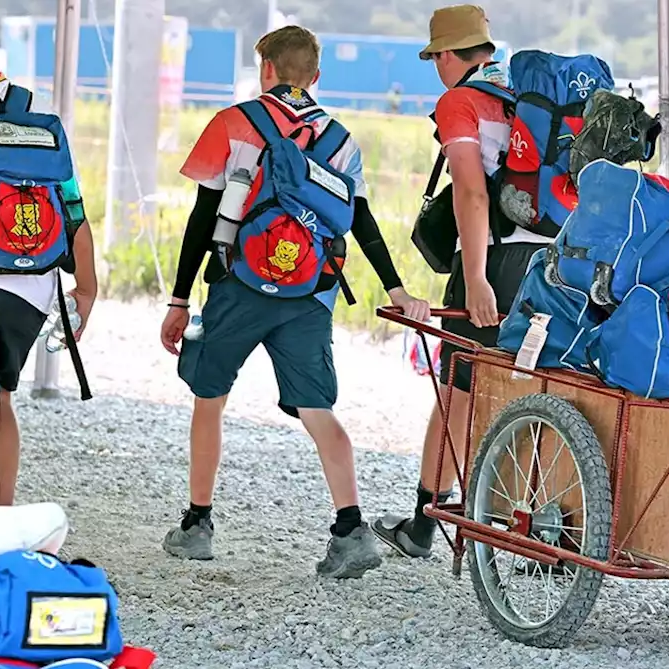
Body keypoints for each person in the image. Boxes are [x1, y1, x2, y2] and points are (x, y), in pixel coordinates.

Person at [158, 26, 430, 578]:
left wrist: (180, 298)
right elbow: (360, 221)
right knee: (318, 411)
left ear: (265, 69)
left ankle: (197, 525)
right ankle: (351, 530)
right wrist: (396, 287)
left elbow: (202, 218)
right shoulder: (342, 141)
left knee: (210, 398)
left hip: (238, 289)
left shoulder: (234, 123)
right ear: (316, 77)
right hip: (309, 294)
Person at [371, 5, 550, 559]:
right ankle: (540, 525)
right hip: (551, 264)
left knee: (459, 391)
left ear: (448, 55)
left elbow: (471, 193)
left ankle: (427, 522)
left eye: (435, 59)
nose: (436, 70)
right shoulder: (530, 98)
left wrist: (474, 276)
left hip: (495, 262)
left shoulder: (461, 101)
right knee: (530, 390)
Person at [0, 66, 98, 507]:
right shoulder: (35, 126)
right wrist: (87, 289)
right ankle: (4, 518)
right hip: (31, 289)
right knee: (1, 397)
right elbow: (72, 206)